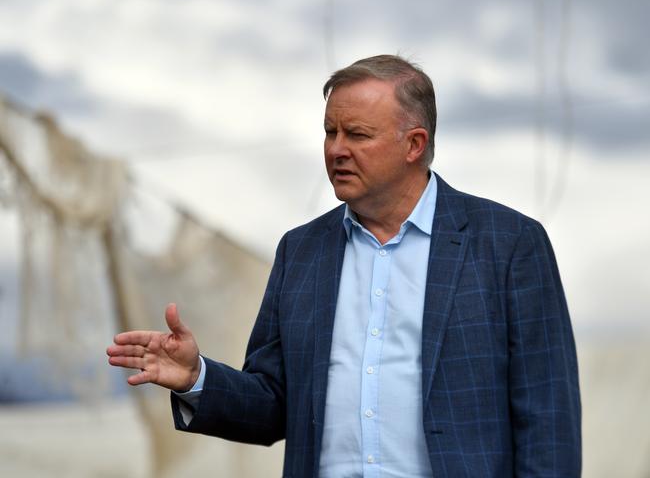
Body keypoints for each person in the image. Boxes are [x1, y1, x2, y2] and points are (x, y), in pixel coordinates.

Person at [107, 55, 581, 477]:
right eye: (330, 132)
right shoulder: (302, 250)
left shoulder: (509, 243)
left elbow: (548, 415)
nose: (336, 149)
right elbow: (274, 406)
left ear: (414, 143)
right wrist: (198, 379)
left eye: (356, 134)